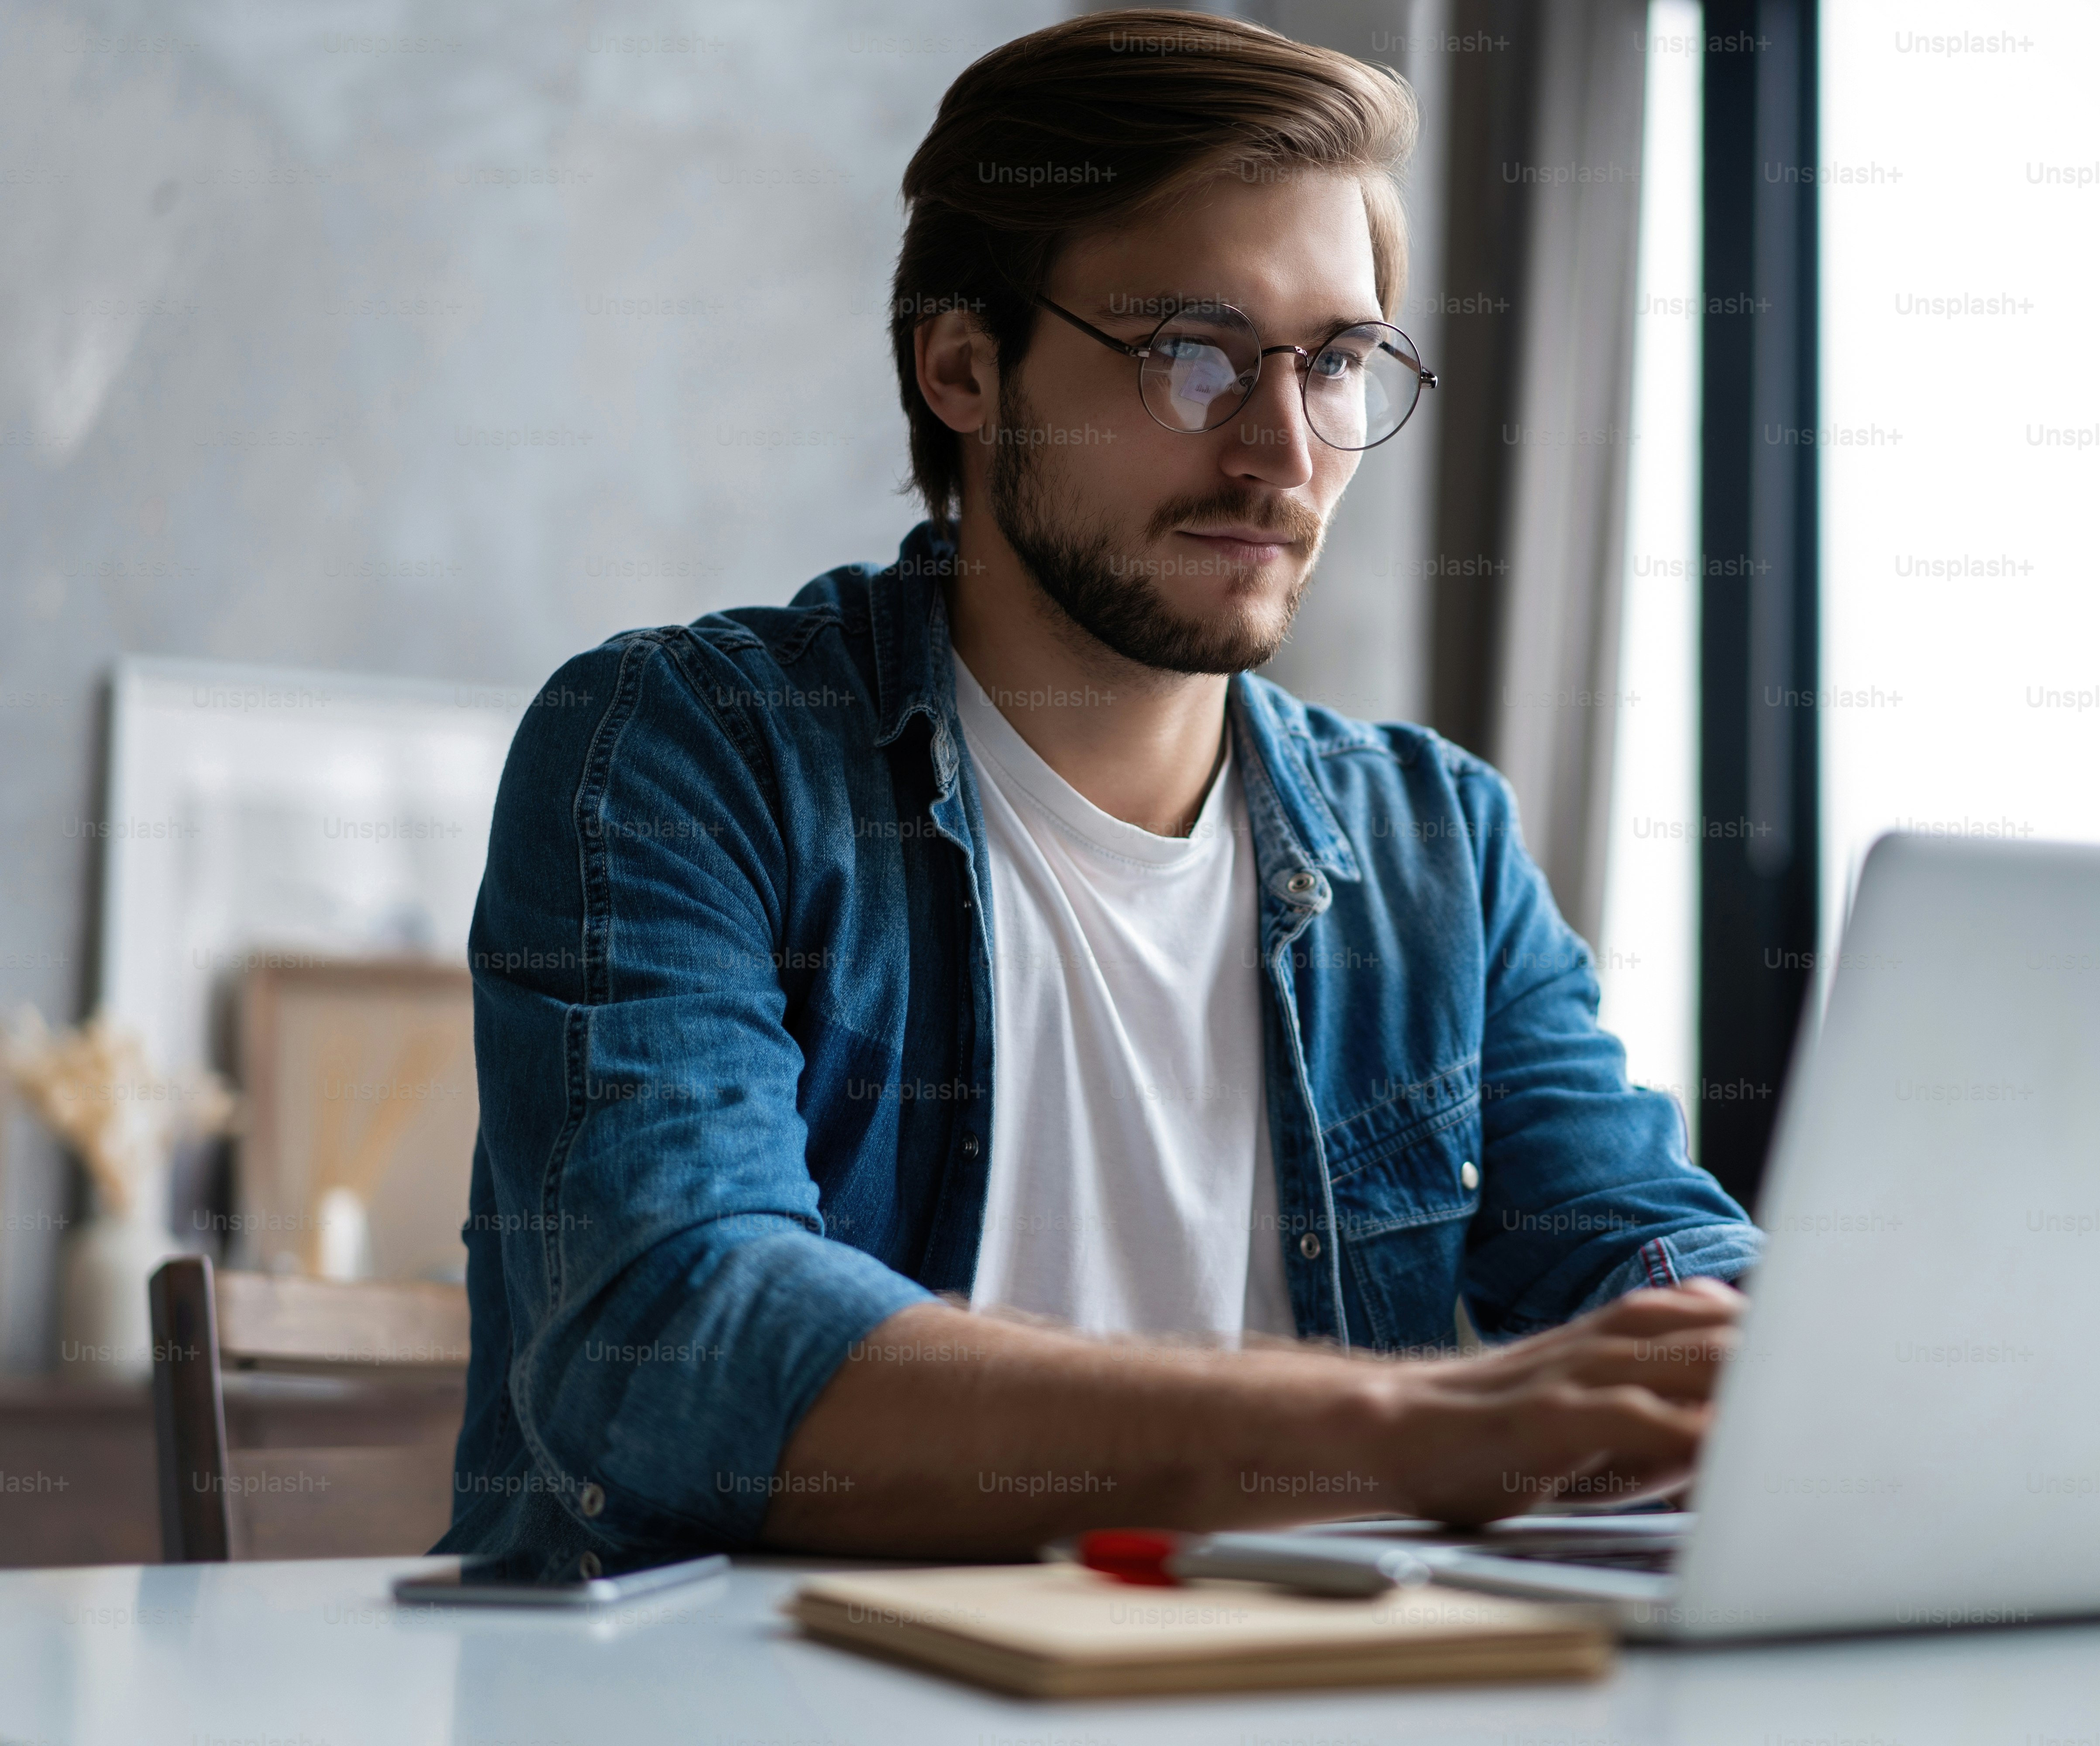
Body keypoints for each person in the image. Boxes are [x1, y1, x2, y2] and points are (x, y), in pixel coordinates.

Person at [438, 8, 1758, 1564]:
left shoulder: (1434, 849)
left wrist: (1813, 1368)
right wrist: (1421, 1430)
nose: (1280, 451)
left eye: (1335, 362)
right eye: (1191, 354)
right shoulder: (679, 752)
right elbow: (677, 1332)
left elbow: (1645, 1262)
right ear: (964, 368)